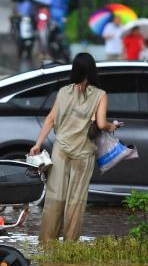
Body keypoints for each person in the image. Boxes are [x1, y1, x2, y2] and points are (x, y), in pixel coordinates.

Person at [30, 53, 121, 242]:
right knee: (76, 200)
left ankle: (47, 242)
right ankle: (70, 244)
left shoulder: (64, 91)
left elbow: (50, 119)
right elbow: (102, 124)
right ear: (93, 70)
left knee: (54, 197)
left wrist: (38, 144)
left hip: (60, 150)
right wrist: (114, 126)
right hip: (83, 152)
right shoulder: (100, 95)